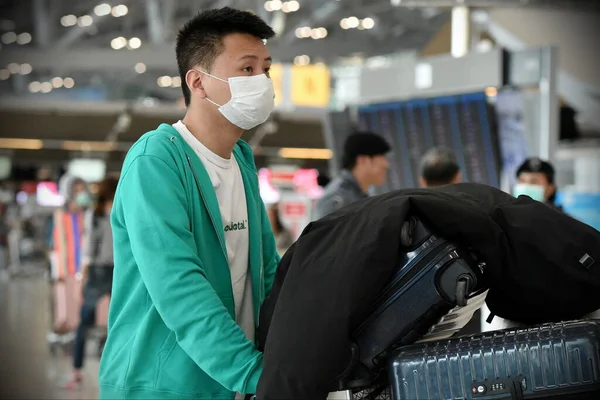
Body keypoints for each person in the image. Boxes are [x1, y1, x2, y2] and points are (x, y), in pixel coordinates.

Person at [99, 7, 280, 400]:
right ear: (198, 82)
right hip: (163, 385)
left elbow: (265, 271)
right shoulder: (156, 161)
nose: (262, 81)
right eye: (247, 69)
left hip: (233, 383)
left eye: (265, 69)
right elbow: (178, 286)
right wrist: (255, 374)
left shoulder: (241, 159)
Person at [64, 177, 117, 389]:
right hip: (119, 271)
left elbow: (88, 250)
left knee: (84, 323)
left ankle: (76, 373)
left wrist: (81, 277)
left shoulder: (94, 215)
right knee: (121, 323)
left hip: (97, 271)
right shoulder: (123, 210)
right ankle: (118, 374)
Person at [315, 132, 390, 219]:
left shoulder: (355, 194)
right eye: (382, 157)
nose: (386, 164)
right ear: (362, 160)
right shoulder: (339, 199)